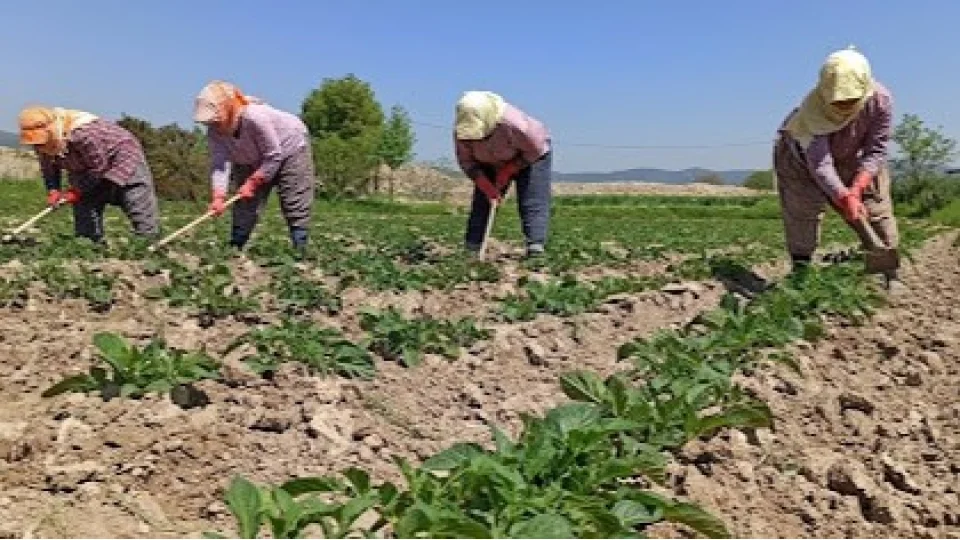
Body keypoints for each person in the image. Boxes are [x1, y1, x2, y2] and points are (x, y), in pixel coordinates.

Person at [774, 47, 905, 292]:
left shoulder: (880, 101)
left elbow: (876, 151)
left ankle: (890, 273)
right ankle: (800, 273)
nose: (844, 105)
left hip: (851, 156)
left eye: (851, 100)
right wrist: (843, 196)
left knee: (875, 207)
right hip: (800, 162)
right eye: (839, 101)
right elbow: (821, 165)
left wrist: (856, 189)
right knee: (803, 211)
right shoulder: (810, 114)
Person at [193, 80, 315, 251]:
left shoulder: (254, 117)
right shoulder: (214, 131)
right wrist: (218, 196)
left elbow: (273, 155)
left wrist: (253, 182)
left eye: (215, 121)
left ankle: (300, 245)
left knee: (294, 197)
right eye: (209, 123)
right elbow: (219, 163)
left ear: (227, 109)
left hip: (289, 148)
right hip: (251, 157)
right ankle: (236, 246)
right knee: (245, 202)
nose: (212, 126)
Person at [17, 107, 159, 242]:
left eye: (40, 143)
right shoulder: (43, 144)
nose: (38, 148)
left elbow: (98, 167)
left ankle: (146, 244)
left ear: (51, 131)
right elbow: (48, 168)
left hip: (121, 160)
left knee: (137, 203)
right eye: (36, 144)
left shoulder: (84, 134)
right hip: (86, 168)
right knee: (85, 208)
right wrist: (53, 190)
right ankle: (89, 244)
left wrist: (77, 190)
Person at [454, 91, 553, 258]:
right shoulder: (462, 131)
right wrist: (487, 187)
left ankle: (535, 246)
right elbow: (466, 162)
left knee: (532, 199)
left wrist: (509, 170)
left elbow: (536, 150)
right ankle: (472, 248)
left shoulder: (518, 126)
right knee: (482, 203)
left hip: (530, 158)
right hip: (488, 162)